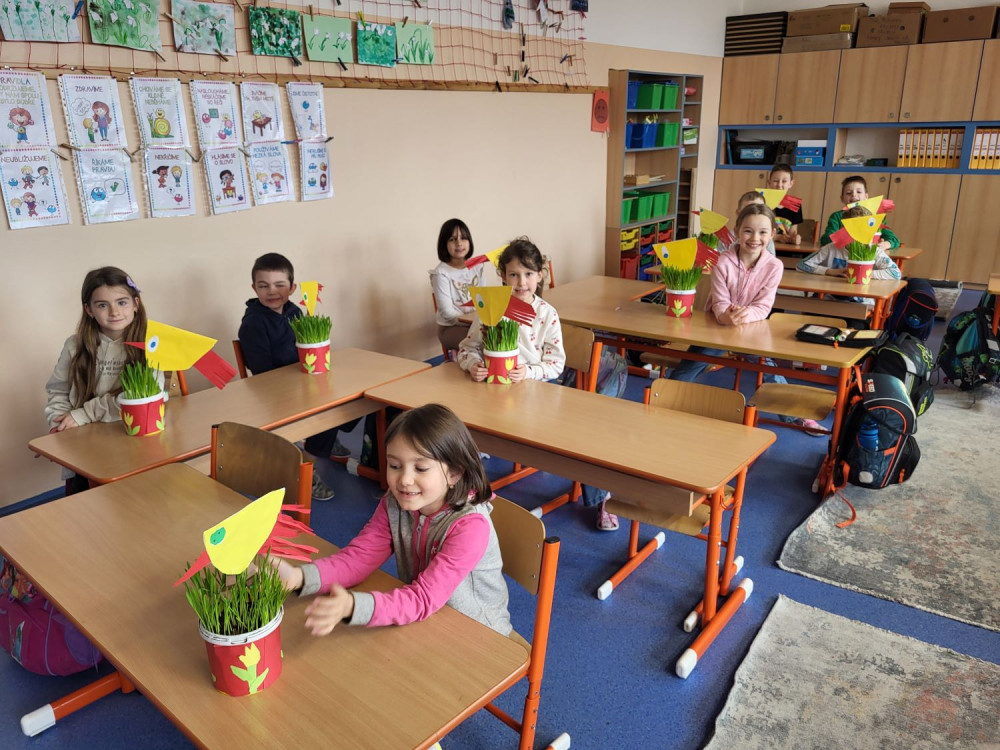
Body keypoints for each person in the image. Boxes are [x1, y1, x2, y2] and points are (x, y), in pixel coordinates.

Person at [274, 404, 516, 640]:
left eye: (421, 468)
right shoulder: (396, 502)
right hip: (428, 622)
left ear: (454, 473)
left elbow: (423, 598)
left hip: (481, 637)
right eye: (395, 466)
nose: (405, 480)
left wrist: (352, 607)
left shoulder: (470, 527)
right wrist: (299, 578)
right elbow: (359, 558)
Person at [458, 238, 620, 529]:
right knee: (455, 424)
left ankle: (600, 499)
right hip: (492, 394)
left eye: (528, 274)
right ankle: (467, 493)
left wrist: (529, 371)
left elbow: (556, 364)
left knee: (584, 432)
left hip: (538, 394)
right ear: (502, 276)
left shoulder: (546, 313)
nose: (521, 282)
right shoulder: (490, 308)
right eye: (514, 274)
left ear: (540, 275)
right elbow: (466, 348)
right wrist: (473, 365)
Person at [668, 204, 825, 435]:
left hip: (750, 330)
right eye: (748, 231)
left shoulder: (774, 266)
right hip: (718, 328)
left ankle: (796, 417)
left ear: (772, 234)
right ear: (737, 231)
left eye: (762, 232)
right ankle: (664, 400)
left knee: (769, 369)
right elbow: (719, 301)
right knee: (690, 365)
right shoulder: (722, 261)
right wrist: (726, 316)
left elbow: (763, 306)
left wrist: (744, 315)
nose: (755, 238)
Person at [237, 252, 357, 500]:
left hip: (302, 380)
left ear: (292, 288)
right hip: (273, 391)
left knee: (353, 394)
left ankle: (327, 434)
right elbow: (261, 372)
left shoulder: (294, 312)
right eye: (264, 286)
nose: (272, 291)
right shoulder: (253, 323)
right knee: (326, 406)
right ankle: (307, 464)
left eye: (279, 285)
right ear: (254, 288)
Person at [45, 266, 157, 494]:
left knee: (137, 502)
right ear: (89, 309)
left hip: (136, 447)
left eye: (122, 302)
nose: (114, 312)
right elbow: (58, 391)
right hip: (85, 449)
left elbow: (139, 399)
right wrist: (59, 426)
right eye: (102, 305)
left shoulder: (152, 344)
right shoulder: (74, 345)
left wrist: (84, 414)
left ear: (136, 304)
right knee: (85, 505)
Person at [798, 205, 902, 299]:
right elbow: (802, 265)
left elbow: (896, 273)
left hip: (861, 300)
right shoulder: (831, 248)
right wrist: (830, 271)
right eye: (853, 228)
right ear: (843, 229)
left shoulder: (873, 251)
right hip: (830, 296)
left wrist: (864, 274)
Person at [429, 218, 484, 353]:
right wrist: (473, 323)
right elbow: (447, 313)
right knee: (484, 341)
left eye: (463, 238)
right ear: (444, 244)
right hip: (451, 328)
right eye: (452, 239)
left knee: (502, 336)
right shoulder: (441, 273)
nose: (459, 243)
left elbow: (484, 299)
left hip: (477, 324)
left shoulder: (477, 266)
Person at [820, 175, 901, 251]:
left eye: (859, 192)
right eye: (848, 193)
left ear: (866, 196)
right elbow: (826, 239)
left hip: (870, 257)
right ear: (842, 198)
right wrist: (845, 239)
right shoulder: (837, 217)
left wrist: (886, 244)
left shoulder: (875, 217)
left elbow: (894, 239)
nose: (854, 195)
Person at [766, 163, 802, 245]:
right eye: (775, 181)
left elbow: (793, 231)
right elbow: (758, 230)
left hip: (785, 247)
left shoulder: (795, 204)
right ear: (769, 182)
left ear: (791, 184)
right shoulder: (763, 202)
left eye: (784, 181)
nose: (779, 185)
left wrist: (795, 238)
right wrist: (777, 237)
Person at [734, 191, 776, 255]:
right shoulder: (727, 237)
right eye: (747, 210)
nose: (755, 238)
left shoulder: (767, 240)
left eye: (760, 209)